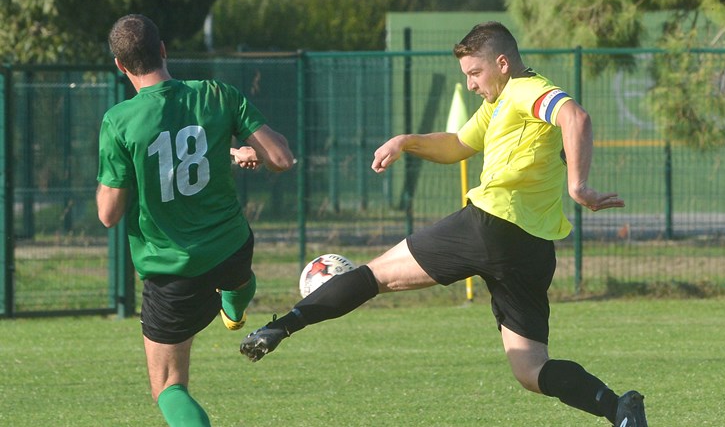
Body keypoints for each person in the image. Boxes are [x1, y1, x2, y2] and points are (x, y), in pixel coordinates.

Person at [240, 21, 648, 427]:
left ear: (503, 63)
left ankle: (283, 326)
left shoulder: (526, 90)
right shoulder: (499, 104)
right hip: (533, 248)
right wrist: (406, 141)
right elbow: (457, 144)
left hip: (491, 224)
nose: (471, 84)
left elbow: (575, 117)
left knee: (375, 275)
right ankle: (619, 409)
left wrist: (578, 185)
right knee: (530, 369)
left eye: (475, 73)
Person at [96, 14, 294, 427]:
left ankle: (233, 306)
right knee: (239, 279)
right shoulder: (216, 94)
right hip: (231, 246)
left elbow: (108, 214)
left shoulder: (120, 121)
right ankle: (235, 308)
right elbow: (280, 159)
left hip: (174, 269)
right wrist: (240, 150)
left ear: (120, 65)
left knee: (168, 386)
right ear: (164, 50)